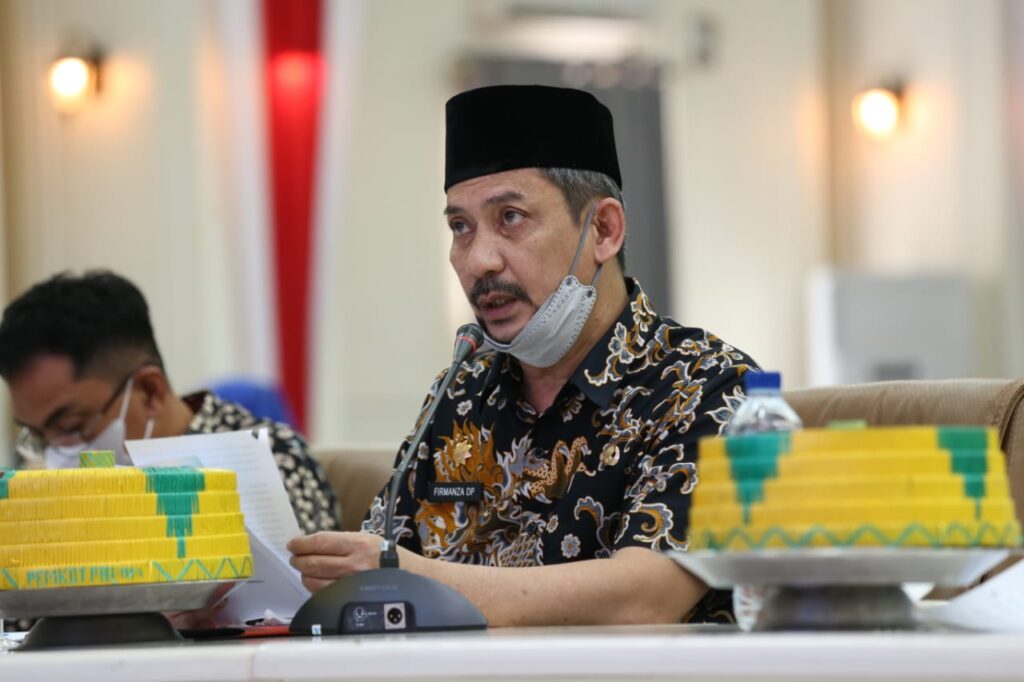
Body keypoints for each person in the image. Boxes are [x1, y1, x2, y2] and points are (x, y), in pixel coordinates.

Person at [288, 84, 757, 626]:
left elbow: (644, 599)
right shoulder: (462, 392)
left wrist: (412, 578)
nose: (479, 261)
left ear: (604, 230)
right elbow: (373, 572)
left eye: (511, 217)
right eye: (461, 227)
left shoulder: (706, 385)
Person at [0, 270, 341, 535]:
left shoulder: (271, 459)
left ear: (149, 391)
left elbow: (310, 595)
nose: (55, 455)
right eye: (37, 436)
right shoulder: (43, 489)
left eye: (71, 426)